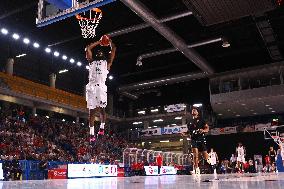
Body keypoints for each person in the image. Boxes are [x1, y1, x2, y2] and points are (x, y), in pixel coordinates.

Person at [85, 35, 116, 141]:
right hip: (91, 87)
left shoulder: (106, 63)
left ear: (103, 55)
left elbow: (114, 50)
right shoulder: (91, 62)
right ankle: (92, 134)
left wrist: (109, 42)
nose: (99, 53)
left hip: (101, 87)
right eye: (98, 52)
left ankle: (102, 128)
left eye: (101, 52)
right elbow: (88, 49)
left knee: (102, 109)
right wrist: (99, 42)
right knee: (91, 112)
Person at [184, 108, 210, 174]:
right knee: (195, 154)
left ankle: (208, 159)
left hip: (201, 138)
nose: (194, 110)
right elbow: (189, 132)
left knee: (205, 156)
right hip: (193, 139)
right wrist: (184, 133)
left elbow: (207, 128)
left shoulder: (201, 119)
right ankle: (196, 169)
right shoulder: (189, 122)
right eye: (193, 110)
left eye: (195, 110)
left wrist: (203, 130)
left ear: (197, 113)